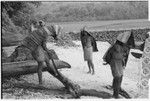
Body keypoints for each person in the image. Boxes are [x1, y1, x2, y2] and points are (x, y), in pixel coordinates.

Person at [22, 20, 59, 85]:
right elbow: (44, 45)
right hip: (35, 47)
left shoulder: (43, 29)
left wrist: (47, 50)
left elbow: (42, 43)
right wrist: (48, 51)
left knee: (47, 61)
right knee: (40, 64)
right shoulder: (45, 34)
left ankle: (56, 73)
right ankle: (40, 83)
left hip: (33, 45)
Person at [103, 31, 135, 98]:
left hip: (119, 62)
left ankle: (117, 90)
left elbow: (124, 55)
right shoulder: (116, 47)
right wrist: (107, 61)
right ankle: (115, 94)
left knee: (120, 76)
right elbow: (109, 55)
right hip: (114, 62)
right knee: (117, 77)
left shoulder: (123, 47)